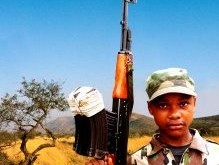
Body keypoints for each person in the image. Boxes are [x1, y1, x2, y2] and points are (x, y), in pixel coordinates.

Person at [86, 67, 219, 165]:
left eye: (183, 103)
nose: (174, 114)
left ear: (194, 103)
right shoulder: (135, 161)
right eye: (163, 105)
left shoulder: (216, 154)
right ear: (150, 108)